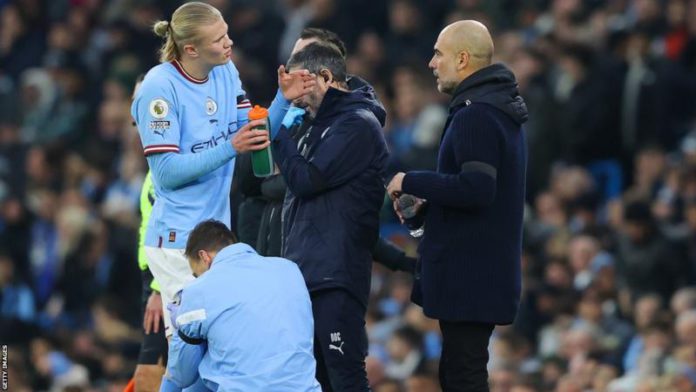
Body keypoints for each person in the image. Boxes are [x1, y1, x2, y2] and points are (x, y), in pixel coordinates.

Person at [130, 1, 315, 338]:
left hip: (214, 236)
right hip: (176, 242)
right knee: (198, 347)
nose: (229, 43)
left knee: (215, 348)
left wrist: (283, 99)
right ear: (190, 49)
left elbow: (256, 132)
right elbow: (167, 173)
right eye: (218, 40)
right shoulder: (160, 88)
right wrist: (230, 147)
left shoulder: (225, 71)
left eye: (227, 33)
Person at [386, 20, 528, 391]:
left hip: (471, 273)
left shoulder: (476, 114)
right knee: (457, 372)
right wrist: (429, 208)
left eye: (438, 53)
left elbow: (478, 189)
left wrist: (409, 180)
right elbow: (479, 196)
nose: (432, 63)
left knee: (463, 375)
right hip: (480, 269)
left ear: (463, 59)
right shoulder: (495, 109)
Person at [234, 27, 416, 272]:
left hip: (314, 267)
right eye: (293, 60)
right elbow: (247, 181)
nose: (293, 70)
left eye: (305, 59)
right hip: (266, 260)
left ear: (326, 71)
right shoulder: (285, 112)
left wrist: (400, 262)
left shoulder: (351, 124)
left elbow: (320, 194)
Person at [272, 42, 389, 391]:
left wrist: (279, 134)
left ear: (325, 77)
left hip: (335, 275)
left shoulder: (358, 124)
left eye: (301, 90)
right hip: (306, 273)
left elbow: (308, 180)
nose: (296, 101)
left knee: (345, 378)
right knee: (313, 382)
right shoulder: (313, 125)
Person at [160, 220, 320, 391]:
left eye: (196, 273)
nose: (197, 278)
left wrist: (181, 331)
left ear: (204, 257)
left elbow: (182, 376)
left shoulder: (199, 290)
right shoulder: (289, 269)